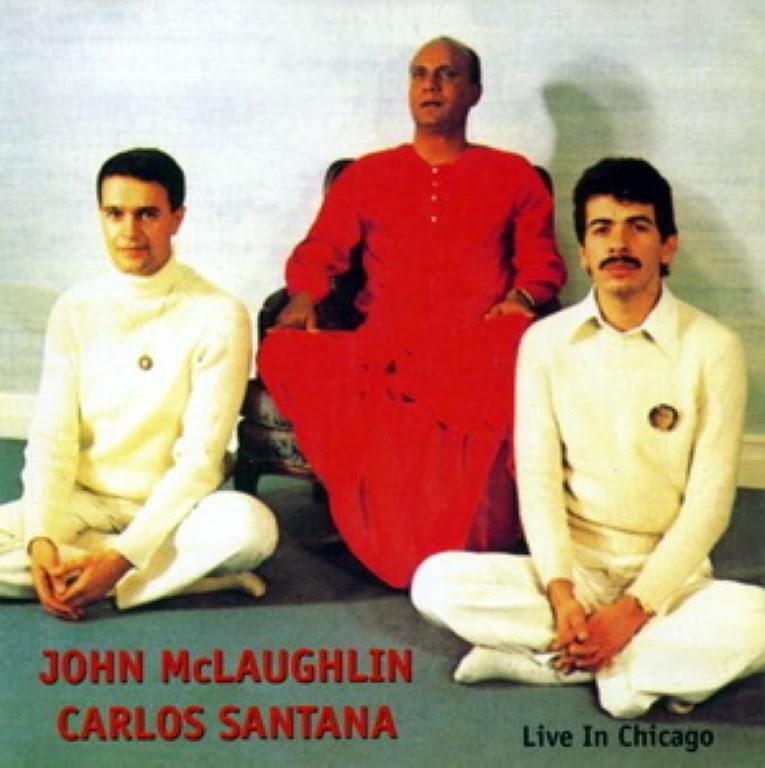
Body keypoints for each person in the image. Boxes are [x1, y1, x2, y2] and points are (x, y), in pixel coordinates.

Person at [411, 158, 765, 717]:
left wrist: (634, 609)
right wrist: (561, 593)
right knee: (435, 582)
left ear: (668, 246)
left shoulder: (713, 347)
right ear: (583, 252)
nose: (618, 244)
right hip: (571, 571)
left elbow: (711, 505)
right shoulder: (545, 343)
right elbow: (538, 481)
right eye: (602, 229)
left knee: (761, 620)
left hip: (669, 582)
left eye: (638, 227)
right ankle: (633, 675)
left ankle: (549, 662)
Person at [258, 37, 566, 587]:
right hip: (384, 346)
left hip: (475, 346)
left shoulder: (513, 175)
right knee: (283, 348)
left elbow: (541, 264)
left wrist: (519, 301)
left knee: (520, 344)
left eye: (446, 74)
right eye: (419, 74)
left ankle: (455, 535)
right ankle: (397, 538)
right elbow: (322, 249)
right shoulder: (368, 175)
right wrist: (303, 296)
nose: (430, 85)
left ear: (474, 91)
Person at [0, 148, 278, 620]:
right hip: (83, 503)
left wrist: (122, 555)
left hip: (175, 514)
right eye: (115, 214)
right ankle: (171, 580)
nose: (129, 232)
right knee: (35, 532)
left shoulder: (219, 314)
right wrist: (42, 539)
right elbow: (51, 438)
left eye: (147, 214)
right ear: (100, 217)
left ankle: (97, 571)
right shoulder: (75, 308)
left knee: (251, 528)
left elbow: (200, 461)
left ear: (177, 219)